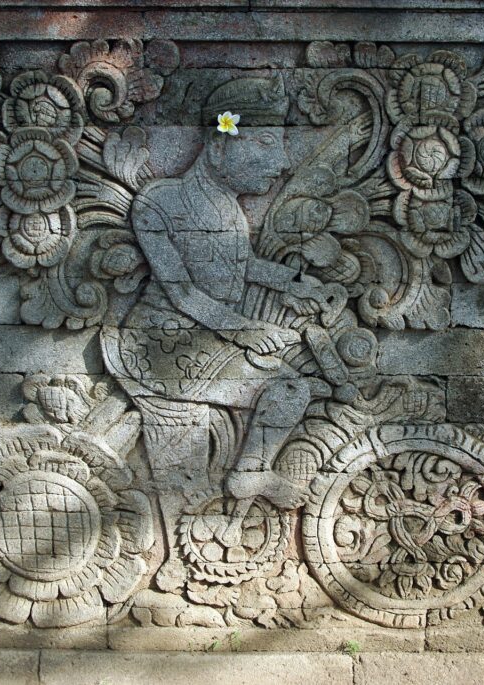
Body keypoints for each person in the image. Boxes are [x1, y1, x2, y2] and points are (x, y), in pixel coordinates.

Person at [104, 75, 331, 510]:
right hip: (160, 341)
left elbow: (240, 265)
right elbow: (182, 291)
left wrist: (297, 284)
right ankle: (249, 473)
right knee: (286, 388)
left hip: (205, 335)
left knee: (296, 371)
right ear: (220, 141)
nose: (281, 161)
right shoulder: (159, 202)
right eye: (266, 143)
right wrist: (243, 329)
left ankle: (250, 469)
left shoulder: (228, 206)